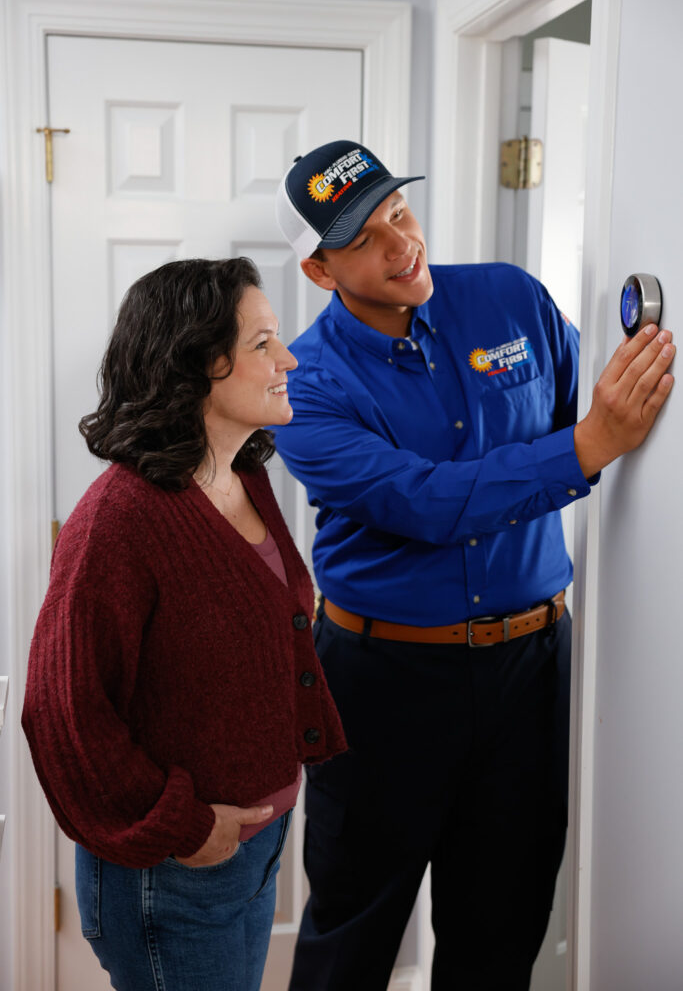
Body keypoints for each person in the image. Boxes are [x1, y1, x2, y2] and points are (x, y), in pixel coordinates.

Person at [272, 140, 675, 990]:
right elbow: (423, 501)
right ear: (318, 271)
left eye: (399, 213)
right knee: (352, 926)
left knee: (503, 922)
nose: (400, 243)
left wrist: (592, 437)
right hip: (380, 679)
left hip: (530, 670)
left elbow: (587, 419)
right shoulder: (304, 387)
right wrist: (587, 446)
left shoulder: (509, 297)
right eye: (365, 238)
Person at [22, 257, 347, 991]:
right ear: (198, 363)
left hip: (252, 854)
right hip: (171, 873)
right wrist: (186, 827)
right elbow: (61, 713)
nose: (288, 357)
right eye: (263, 342)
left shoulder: (245, 478)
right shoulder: (118, 522)